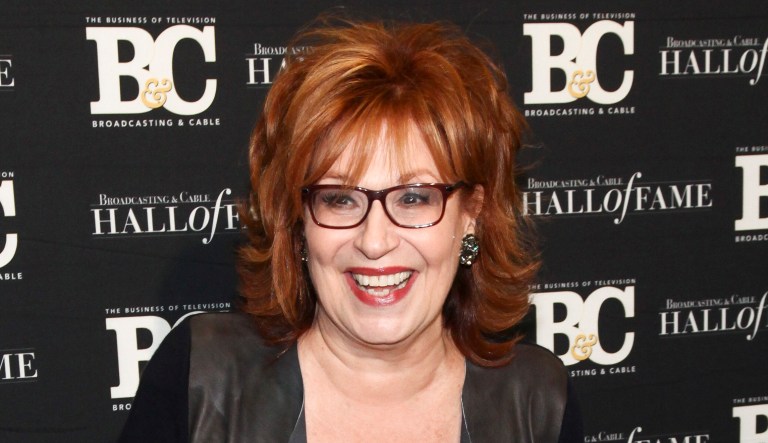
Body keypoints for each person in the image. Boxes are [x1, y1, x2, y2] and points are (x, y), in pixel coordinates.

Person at [119, 17, 582, 443]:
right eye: (340, 199)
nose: (374, 241)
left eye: (414, 197)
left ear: (471, 214)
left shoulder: (539, 400)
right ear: (298, 222)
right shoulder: (201, 377)